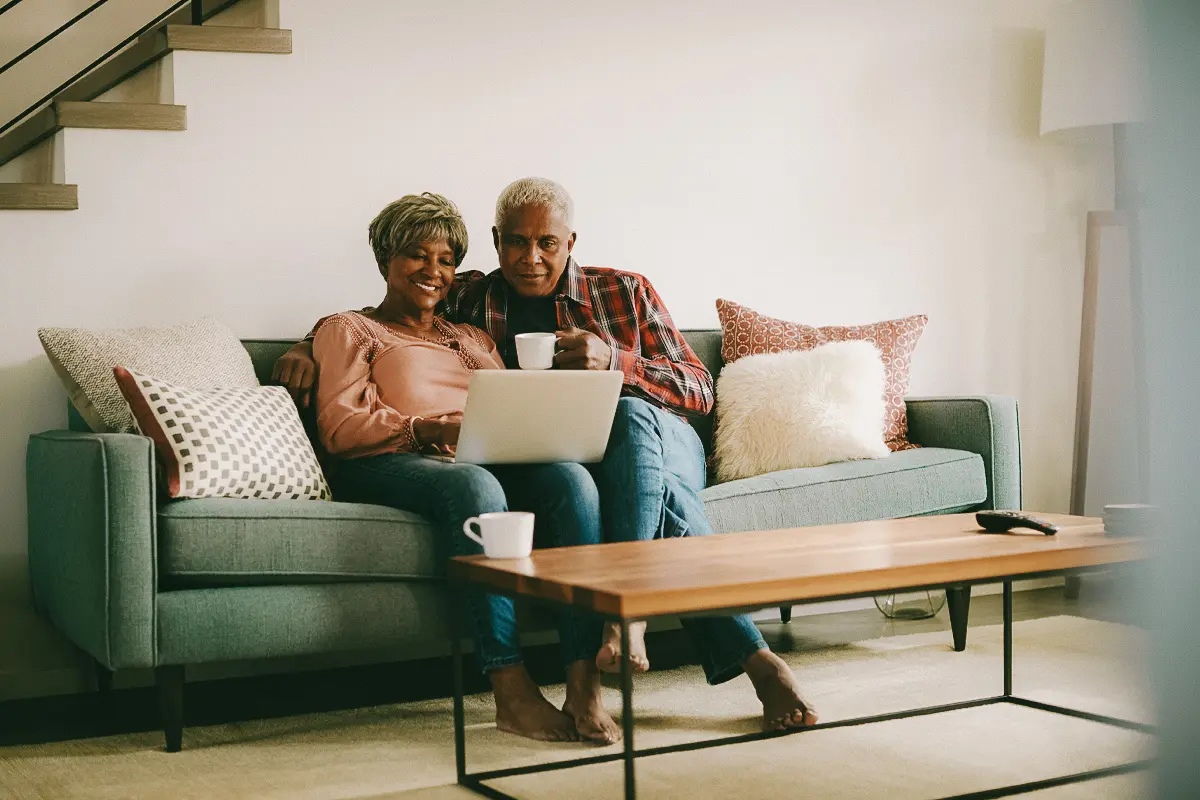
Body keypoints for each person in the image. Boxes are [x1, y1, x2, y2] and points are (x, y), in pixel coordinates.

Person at [277, 178, 817, 731]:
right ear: (496, 241)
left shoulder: (620, 291)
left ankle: (622, 610)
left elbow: (700, 391)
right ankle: (728, 659)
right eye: (515, 243)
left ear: (571, 241)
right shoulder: (471, 300)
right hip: (546, 454)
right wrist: (307, 343)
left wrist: (615, 364)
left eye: (547, 244)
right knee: (581, 482)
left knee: (631, 424)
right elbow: (376, 319)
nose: (530, 258)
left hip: (661, 433)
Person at [311, 192, 619, 745]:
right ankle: (510, 691)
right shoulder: (349, 330)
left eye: (446, 260)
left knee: (571, 479)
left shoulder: (472, 336)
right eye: (417, 256)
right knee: (474, 483)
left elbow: (510, 403)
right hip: (387, 460)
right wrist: (429, 429)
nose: (434, 271)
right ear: (385, 260)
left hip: (474, 454)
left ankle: (582, 678)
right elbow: (338, 426)